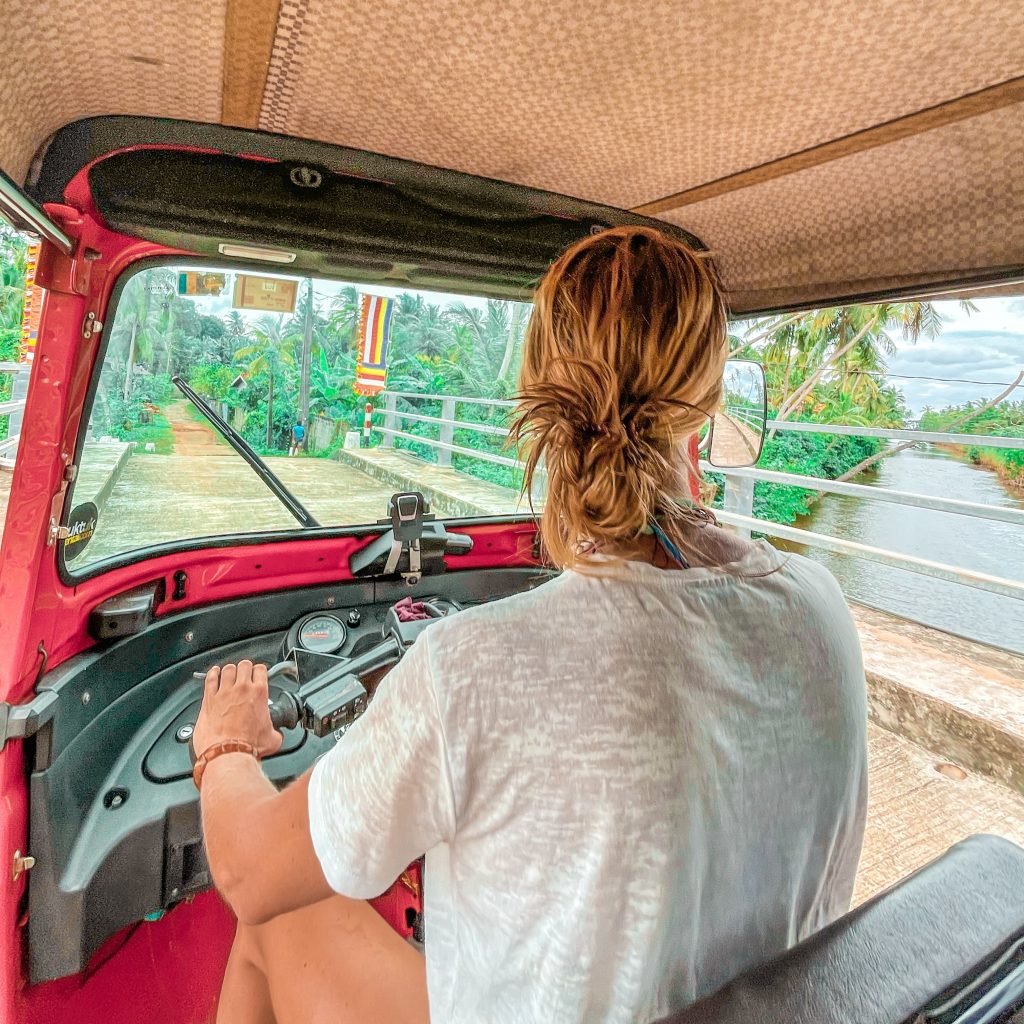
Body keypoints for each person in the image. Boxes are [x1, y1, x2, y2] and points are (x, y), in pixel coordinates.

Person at [193, 226, 868, 1024]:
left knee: (274, 921)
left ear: (541, 402)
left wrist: (225, 745)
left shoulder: (470, 667)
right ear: (713, 399)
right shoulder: (822, 603)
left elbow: (250, 872)